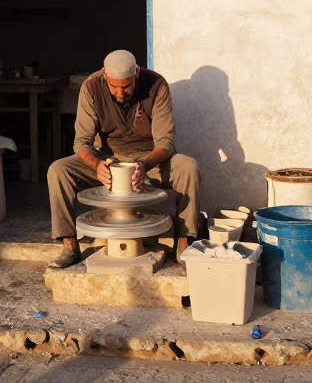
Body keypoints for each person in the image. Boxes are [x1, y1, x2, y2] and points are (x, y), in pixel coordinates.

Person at [46, 50, 200, 269]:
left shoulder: (157, 85)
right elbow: (81, 143)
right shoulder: (91, 87)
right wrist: (96, 164)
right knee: (58, 170)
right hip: (108, 159)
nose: (119, 93)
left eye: (126, 87)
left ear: (136, 74)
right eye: (113, 86)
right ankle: (70, 246)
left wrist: (145, 165)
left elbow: (165, 143)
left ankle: (184, 244)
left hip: (148, 159)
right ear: (104, 76)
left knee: (188, 167)